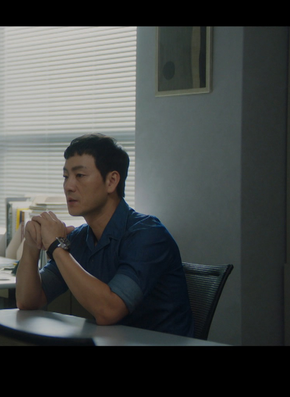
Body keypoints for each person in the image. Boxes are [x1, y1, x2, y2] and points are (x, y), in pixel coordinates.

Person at [15, 134, 194, 337]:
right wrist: (31, 245)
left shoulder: (149, 234)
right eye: (65, 177)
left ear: (111, 181)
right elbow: (28, 301)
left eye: (79, 175)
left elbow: (108, 311)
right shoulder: (81, 238)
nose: (68, 186)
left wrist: (56, 246)